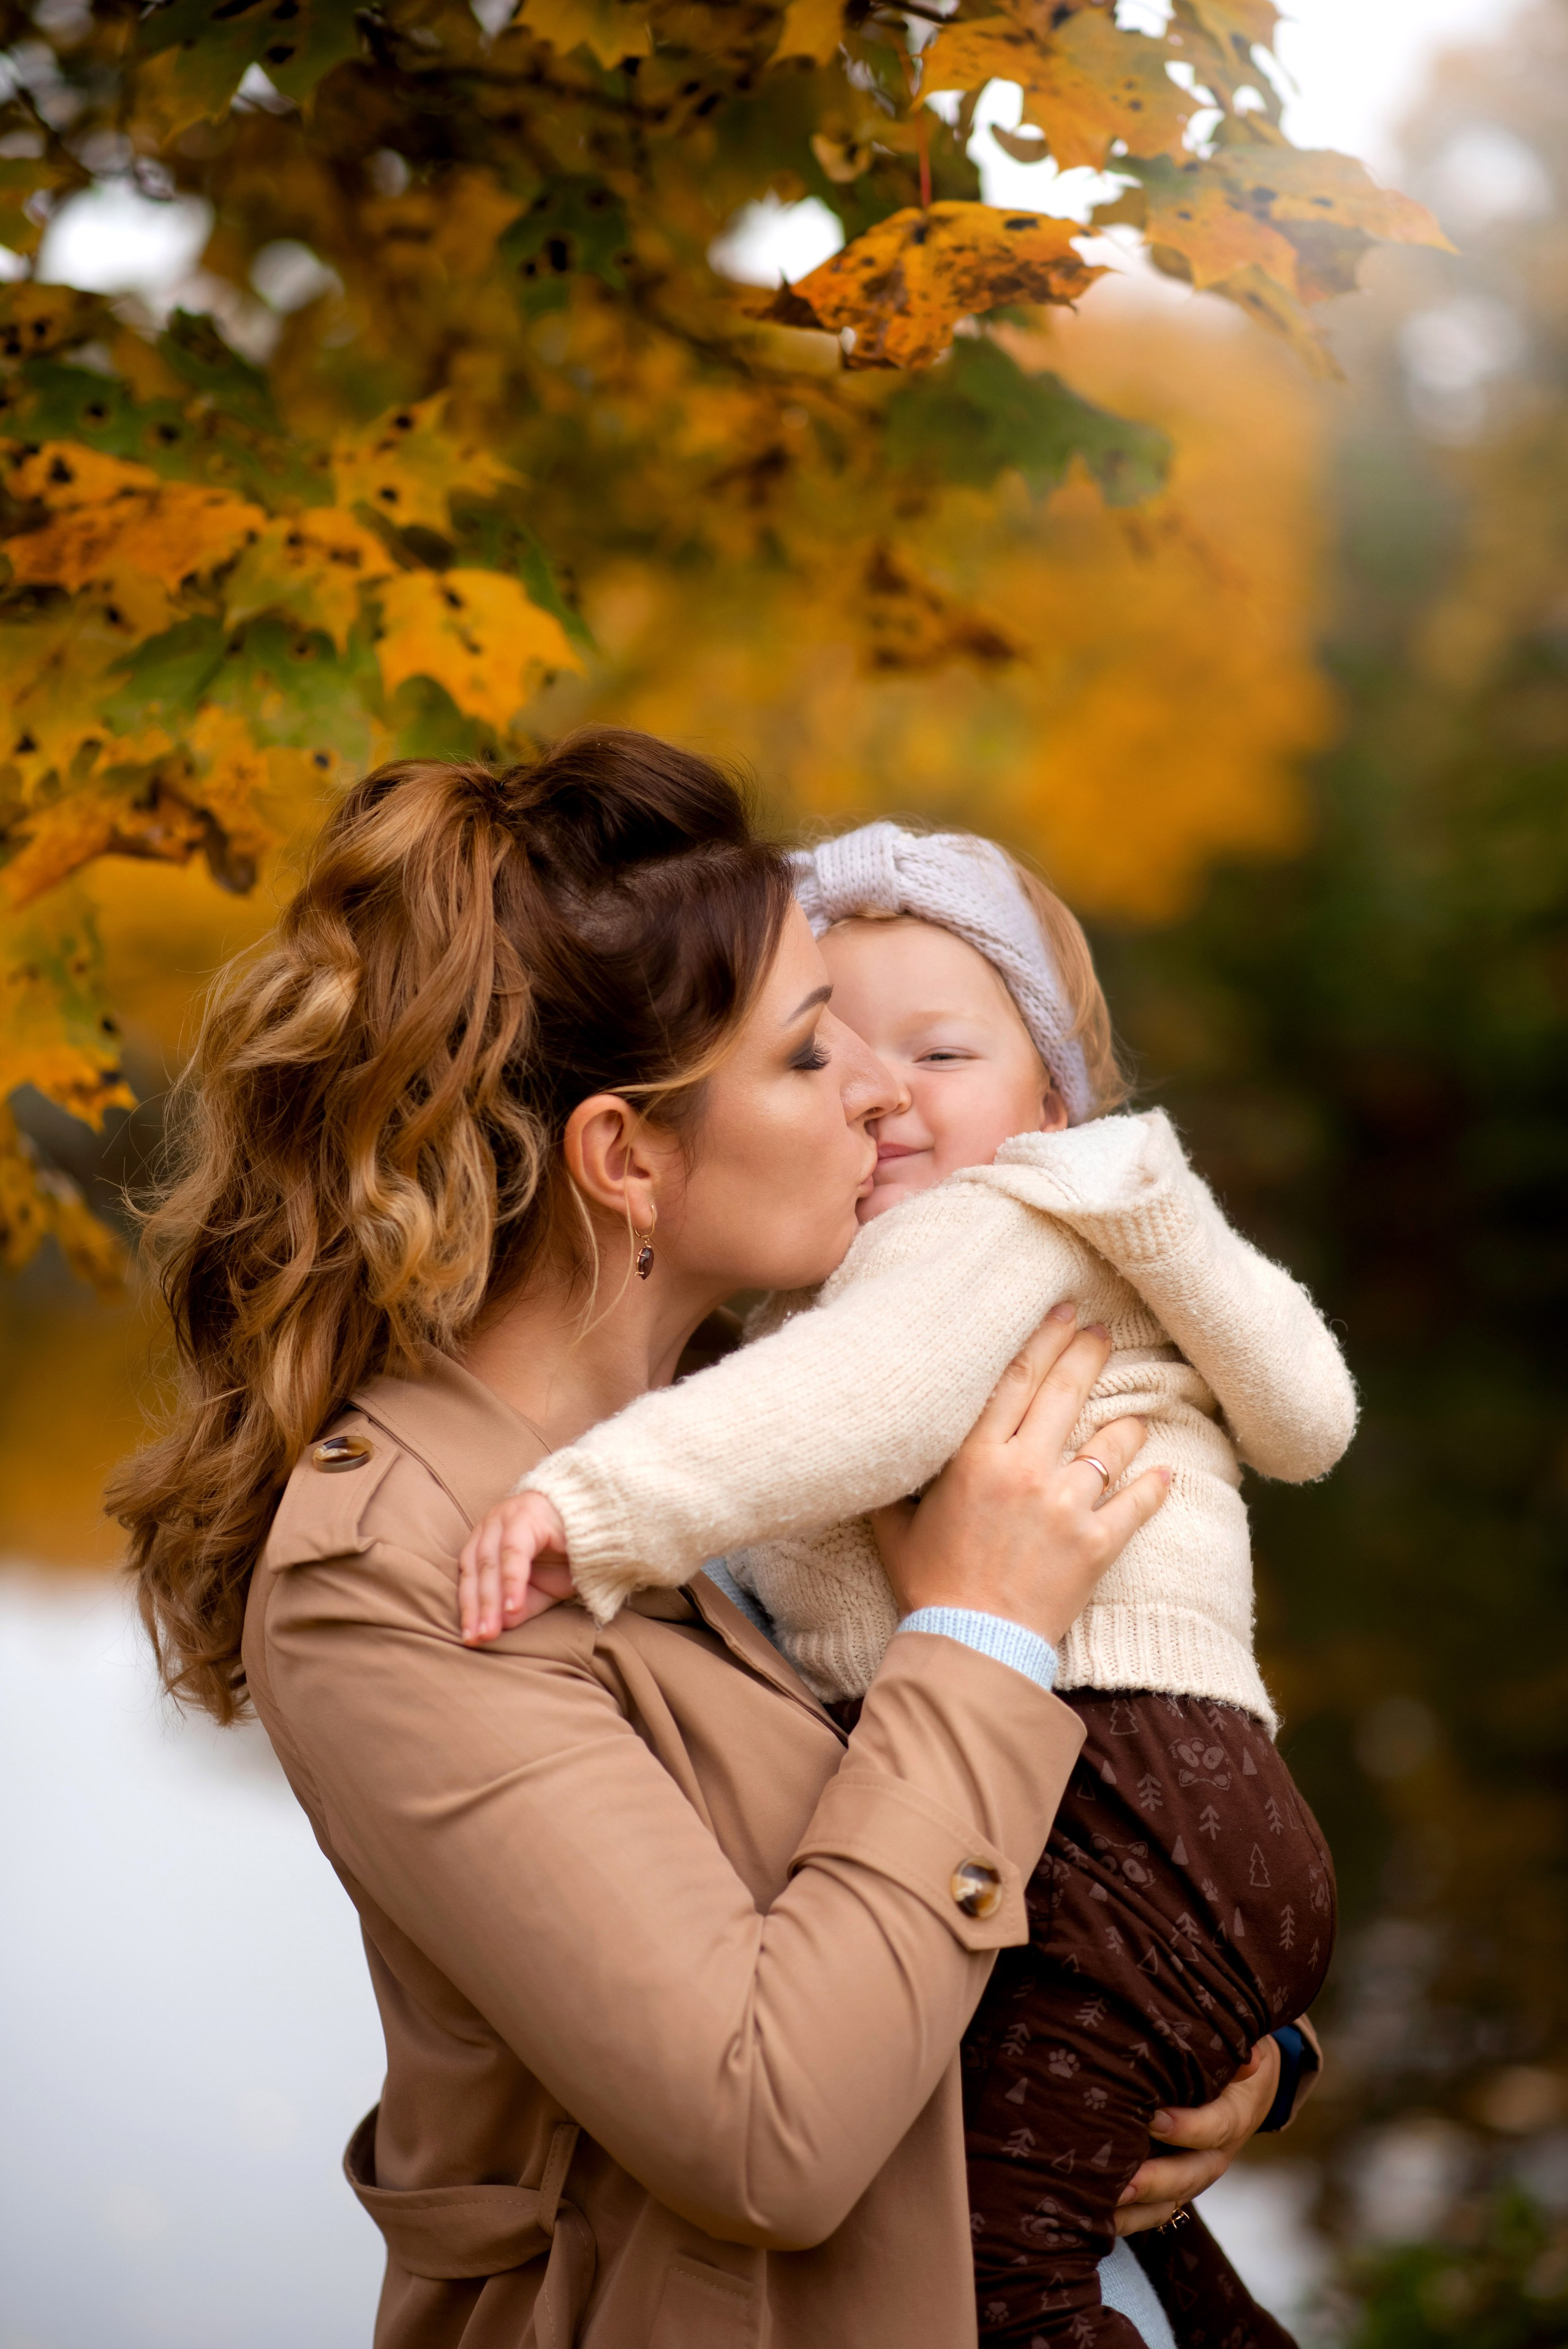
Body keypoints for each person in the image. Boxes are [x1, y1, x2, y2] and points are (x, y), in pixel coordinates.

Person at [111, 733, 1293, 2349]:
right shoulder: (395, 1573)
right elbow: (766, 2127)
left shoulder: (773, 1433)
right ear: (625, 1156)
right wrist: (980, 1632)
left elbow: (996, 1854)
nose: (880, 1092)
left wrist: (1218, 2019)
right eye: (810, 1051)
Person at [460, 820, 1346, 2345]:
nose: (885, 1097)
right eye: (829, 1054)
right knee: (1089, 2222)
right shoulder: (858, 1297)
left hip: (1107, 1789)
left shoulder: (979, 1232)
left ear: (1054, 1100)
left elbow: (859, 1397)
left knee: (997, 2270)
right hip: (1169, 1812)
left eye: (940, 1053)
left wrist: (585, 1503)